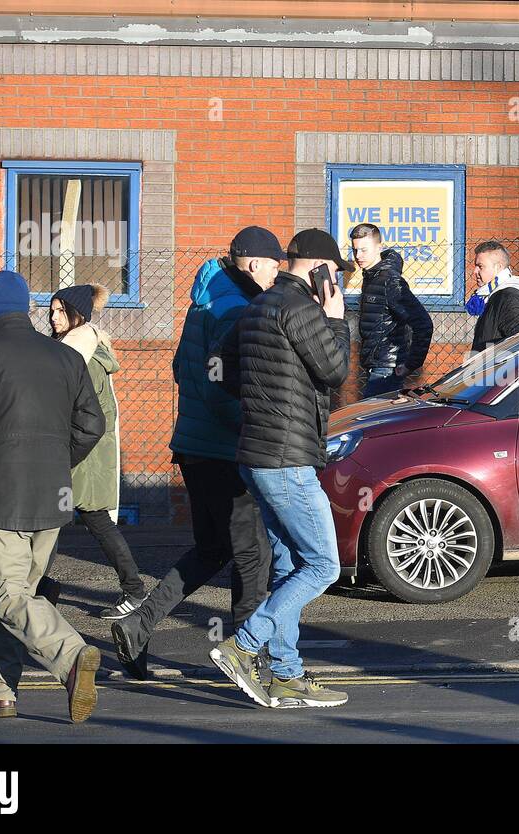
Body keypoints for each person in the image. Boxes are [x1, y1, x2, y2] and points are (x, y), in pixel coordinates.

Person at [0, 270, 106, 721]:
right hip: (53, 495)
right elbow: (92, 425)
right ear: (27, 307)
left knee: (10, 597)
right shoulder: (65, 357)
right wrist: (58, 458)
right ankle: (0, 693)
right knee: (18, 598)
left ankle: (70, 655)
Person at [111, 227, 279, 679]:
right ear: (254, 263)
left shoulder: (206, 296)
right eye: (273, 265)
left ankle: (137, 625)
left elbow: (183, 370)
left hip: (194, 445)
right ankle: (248, 658)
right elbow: (217, 382)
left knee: (211, 549)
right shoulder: (232, 306)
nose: (276, 275)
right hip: (224, 449)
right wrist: (248, 424)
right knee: (252, 554)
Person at [209, 229, 351, 708]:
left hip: (256, 453)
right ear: (319, 268)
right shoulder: (302, 308)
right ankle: (242, 647)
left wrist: (260, 403)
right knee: (323, 565)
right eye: (335, 274)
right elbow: (334, 371)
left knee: (291, 564)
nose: (337, 283)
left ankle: (287, 675)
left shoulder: (258, 306)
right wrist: (336, 318)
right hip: (287, 459)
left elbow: (221, 366)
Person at [48, 283, 148, 619]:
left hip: (84, 452)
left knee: (94, 519)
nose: (53, 316)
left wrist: (66, 451)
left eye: (61, 310)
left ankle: (134, 590)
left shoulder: (82, 356)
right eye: (52, 309)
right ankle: (41, 589)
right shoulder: (69, 348)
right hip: (74, 448)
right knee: (52, 516)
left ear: (77, 315)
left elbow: (92, 416)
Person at [350, 223, 433, 398]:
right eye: (355, 250)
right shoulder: (371, 276)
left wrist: (411, 364)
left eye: (363, 250)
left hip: (386, 371)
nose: (358, 256)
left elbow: (423, 323)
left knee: (372, 421)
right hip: (376, 366)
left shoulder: (390, 281)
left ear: (379, 247)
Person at [467, 240, 519, 354]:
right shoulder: (495, 295)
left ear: (498, 267)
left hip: (497, 369)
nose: (475, 271)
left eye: (480, 266)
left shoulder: (510, 298)